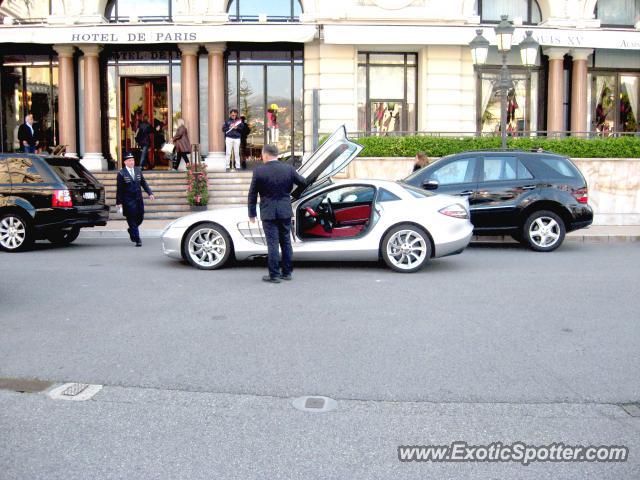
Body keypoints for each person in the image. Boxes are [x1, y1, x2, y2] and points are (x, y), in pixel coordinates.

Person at [248, 144, 306, 283]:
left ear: (266, 155)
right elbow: (303, 182)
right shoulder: (288, 169)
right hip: (285, 209)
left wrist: (252, 213)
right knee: (286, 242)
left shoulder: (259, 171)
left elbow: (252, 193)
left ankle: (274, 275)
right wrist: (292, 194)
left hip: (268, 211)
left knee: (273, 244)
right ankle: (287, 273)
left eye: (262, 155)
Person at [116, 152, 155, 247]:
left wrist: (150, 193)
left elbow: (143, 183)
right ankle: (137, 239)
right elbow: (119, 189)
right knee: (132, 219)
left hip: (138, 200)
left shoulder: (138, 170)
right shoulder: (121, 173)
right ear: (125, 162)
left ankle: (131, 230)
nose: (131, 162)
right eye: (129, 160)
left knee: (140, 217)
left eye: (132, 160)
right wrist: (119, 202)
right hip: (128, 201)